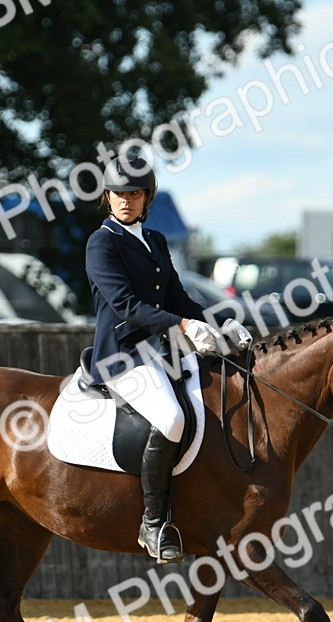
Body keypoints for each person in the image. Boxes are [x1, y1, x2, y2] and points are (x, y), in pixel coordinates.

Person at [85, 155, 253, 563]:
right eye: (119, 193)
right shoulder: (102, 243)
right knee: (172, 418)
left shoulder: (155, 240)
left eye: (134, 193)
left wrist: (221, 322)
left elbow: (179, 298)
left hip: (162, 351)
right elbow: (126, 305)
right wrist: (183, 325)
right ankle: (153, 523)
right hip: (122, 355)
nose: (126, 200)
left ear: (147, 197)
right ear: (107, 196)